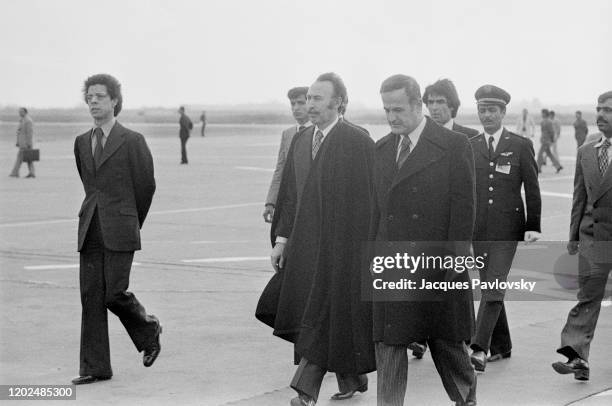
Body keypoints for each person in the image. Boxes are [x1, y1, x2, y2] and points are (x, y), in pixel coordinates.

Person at [268, 72, 376, 406]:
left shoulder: (357, 140)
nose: (309, 104)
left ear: (339, 103)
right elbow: (289, 196)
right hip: (304, 246)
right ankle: (353, 377)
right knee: (316, 314)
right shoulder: (301, 140)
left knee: (322, 313)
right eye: (309, 98)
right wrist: (282, 240)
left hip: (343, 247)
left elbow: (370, 200)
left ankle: (305, 389)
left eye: (317, 98)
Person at [372, 74, 476, 406]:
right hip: (393, 270)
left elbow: (464, 214)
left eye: (398, 109)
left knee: (449, 349)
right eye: (386, 110)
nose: (391, 118)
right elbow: (375, 215)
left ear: (418, 106)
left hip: (437, 269)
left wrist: (453, 268)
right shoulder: (382, 149)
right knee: (389, 347)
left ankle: (466, 402)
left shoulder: (454, 146)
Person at [72, 74, 161, 385]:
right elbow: (89, 184)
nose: (93, 101)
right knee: (91, 297)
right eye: (90, 97)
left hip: (121, 227)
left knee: (114, 294)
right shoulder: (82, 142)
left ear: (114, 101)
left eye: (99, 96)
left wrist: (131, 221)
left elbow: (145, 186)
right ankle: (95, 367)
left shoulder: (132, 140)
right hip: (90, 228)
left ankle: (149, 330)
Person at [468, 85, 542, 372]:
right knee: (491, 288)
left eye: (492, 110)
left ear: (503, 112)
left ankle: (478, 347)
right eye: (482, 110)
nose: (486, 115)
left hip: (507, 228)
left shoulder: (520, 145)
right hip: (478, 229)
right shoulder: (470, 146)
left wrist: (533, 225)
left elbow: (532, 189)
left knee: (494, 285)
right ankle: (502, 344)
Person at [553, 91, 612, 381]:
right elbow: (579, 197)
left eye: (609, 110)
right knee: (587, 298)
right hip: (592, 238)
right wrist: (573, 236)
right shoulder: (586, 151)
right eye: (599, 109)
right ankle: (577, 357)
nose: (601, 115)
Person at [262, 87, 311, 223]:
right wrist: (270, 202)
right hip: (290, 205)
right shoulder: (287, 134)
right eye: (292, 104)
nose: (296, 108)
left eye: (301, 103)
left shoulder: (318, 132)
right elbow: (280, 170)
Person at [9, 107, 35, 178]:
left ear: (25, 112)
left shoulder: (28, 121)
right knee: (29, 159)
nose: (19, 113)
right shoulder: (22, 120)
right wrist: (18, 142)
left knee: (20, 158)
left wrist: (29, 143)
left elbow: (29, 133)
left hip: (26, 144)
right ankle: (32, 173)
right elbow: (19, 132)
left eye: (21, 112)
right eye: (19, 112)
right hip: (22, 143)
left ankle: (15, 173)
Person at [537, 109, 563, 173]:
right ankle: (558, 166)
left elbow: (552, 132)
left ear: (545, 114)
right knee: (549, 154)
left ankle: (538, 168)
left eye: (542, 113)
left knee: (540, 154)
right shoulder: (543, 121)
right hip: (544, 140)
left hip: (546, 141)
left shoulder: (549, 122)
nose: (541, 114)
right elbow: (543, 132)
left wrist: (551, 140)